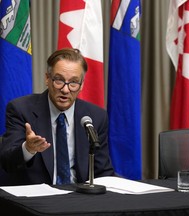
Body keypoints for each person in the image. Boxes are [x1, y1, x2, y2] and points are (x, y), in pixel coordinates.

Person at [0, 48, 114, 185]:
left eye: (73, 82)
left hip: (80, 199)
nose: (65, 90)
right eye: (59, 80)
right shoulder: (21, 110)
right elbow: (6, 162)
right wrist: (28, 149)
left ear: (82, 85)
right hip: (38, 199)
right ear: (47, 79)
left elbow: (103, 172)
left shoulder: (95, 116)